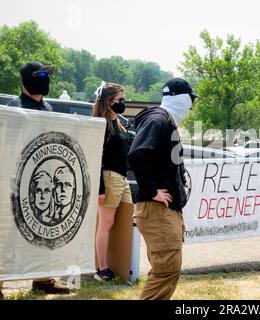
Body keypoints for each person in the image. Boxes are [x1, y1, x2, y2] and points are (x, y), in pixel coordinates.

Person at [1, 62, 70, 299]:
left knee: (44, 231)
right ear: (25, 81)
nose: (45, 79)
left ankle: (43, 279)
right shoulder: (14, 108)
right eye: (40, 75)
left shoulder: (49, 108)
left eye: (47, 75)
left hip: (43, 181)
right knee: (7, 234)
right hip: (14, 182)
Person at [128, 78, 198, 300]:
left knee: (167, 269)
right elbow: (137, 154)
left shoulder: (164, 120)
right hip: (157, 209)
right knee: (166, 270)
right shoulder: (158, 120)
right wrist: (151, 191)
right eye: (190, 100)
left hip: (165, 210)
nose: (191, 106)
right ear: (180, 99)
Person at [92, 82, 132, 281]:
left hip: (122, 178)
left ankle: (122, 265)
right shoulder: (102, 123)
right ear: (109, 101)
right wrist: (100, 188)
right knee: (105, 223)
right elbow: (95, 158)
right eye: (120, 100)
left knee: (122, 219)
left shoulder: (118, 121)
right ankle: (102, 269)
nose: (123, 103)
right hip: (109, 177)